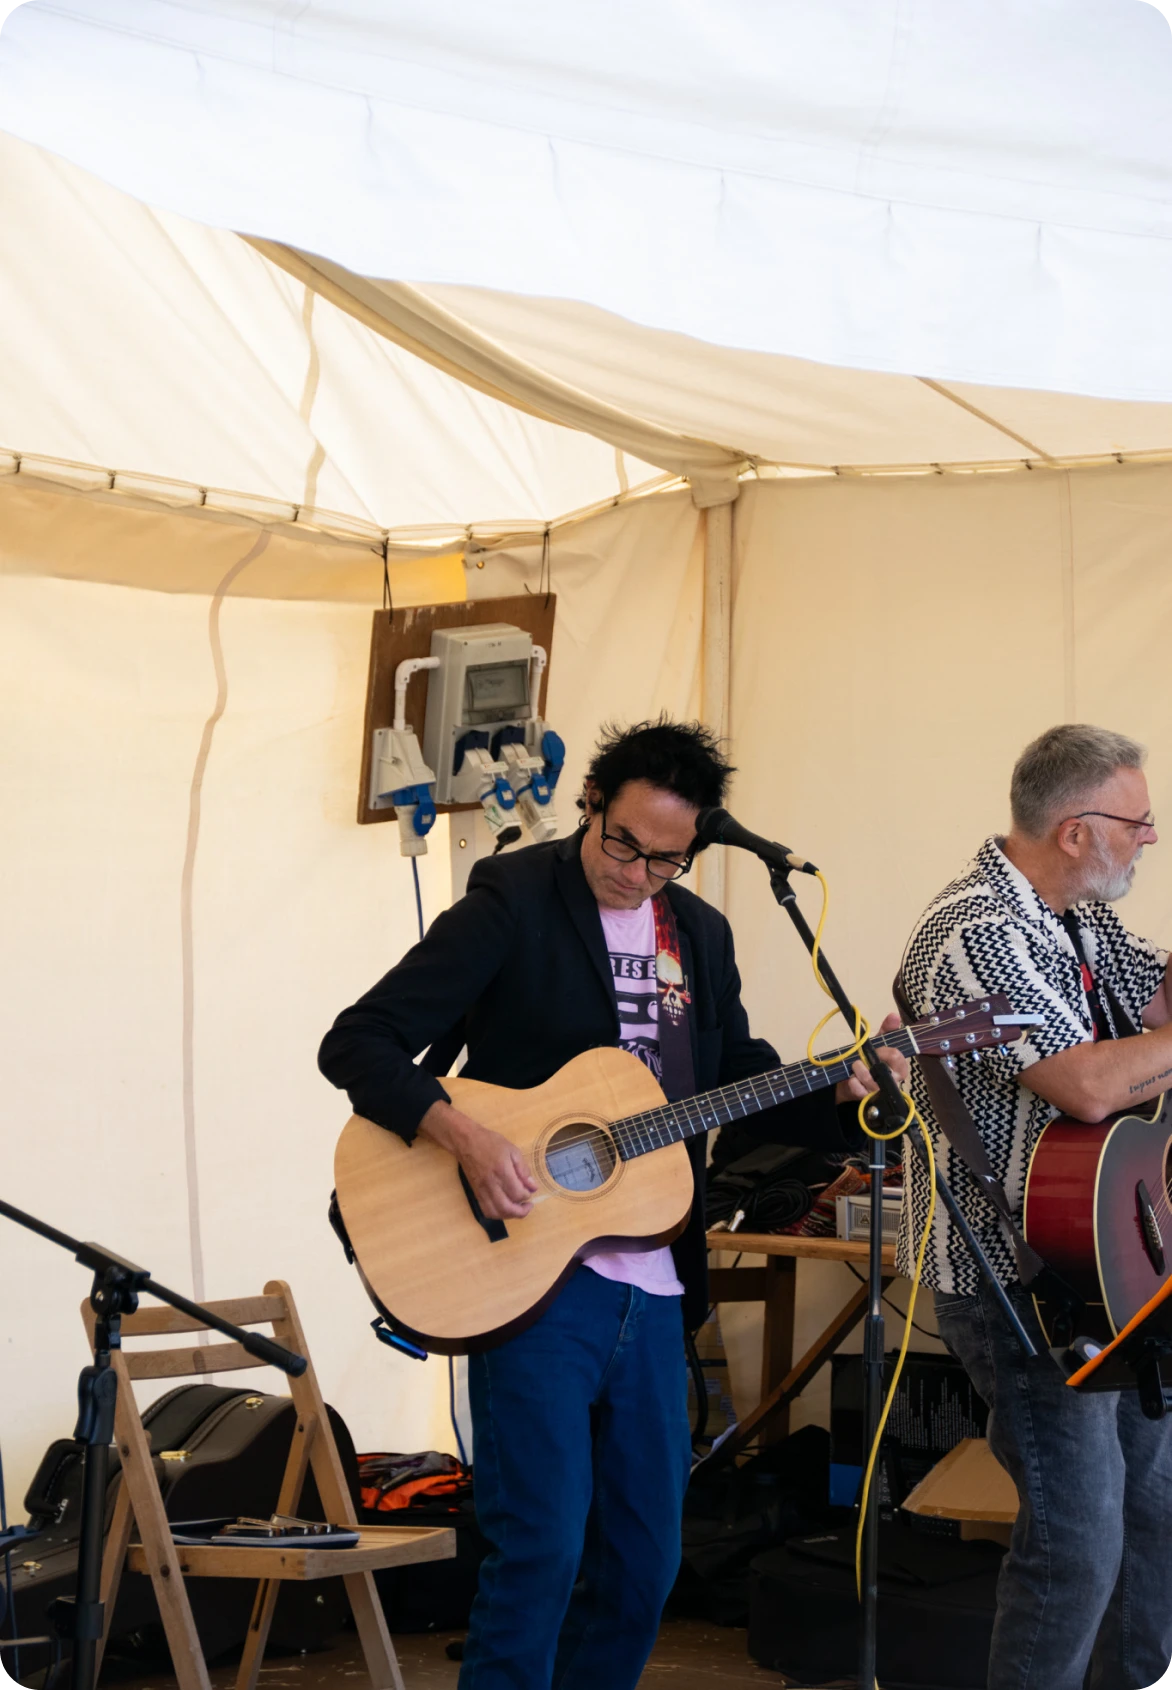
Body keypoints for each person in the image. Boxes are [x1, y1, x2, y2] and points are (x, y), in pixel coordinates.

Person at [320, 717, 907, 1690]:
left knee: (642, 1566)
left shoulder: (700, 936)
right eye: (620, 843)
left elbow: (734, 1078)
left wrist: (844, 1089)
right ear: (590, 805)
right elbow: (358, 1041)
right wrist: (464, 1135)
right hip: (528, 1280)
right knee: (540, 1552)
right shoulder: (512, 901)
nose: (636, 872)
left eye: (665, 859)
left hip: (656, 1287)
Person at [897, 723, 1172, 1690]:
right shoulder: (976, 931)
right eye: (1137, 825)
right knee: (1078, 1544)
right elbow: (1088, 1085)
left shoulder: (1085, 919)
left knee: (1160, 1519)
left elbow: (1157, 1007)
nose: (1148, 841)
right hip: (1015, 1281)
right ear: (1073, 829)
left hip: (1114, 1264)